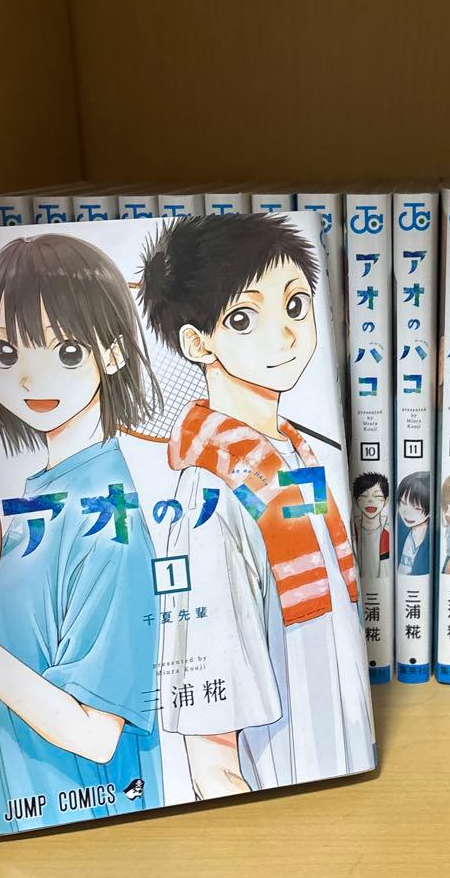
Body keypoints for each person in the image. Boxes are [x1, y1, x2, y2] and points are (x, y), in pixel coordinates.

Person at [138, 213, 375, 797]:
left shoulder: (296, 455)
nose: (286, 334)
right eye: (244, 318)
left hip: (342, 767)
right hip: (286, 785)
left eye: (295, 305)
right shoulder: (211, 495)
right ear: (198, 343)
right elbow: (212, 755)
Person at [0, 234, 164, 832]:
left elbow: (95, 735)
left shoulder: (110, 521)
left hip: (97, 823)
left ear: (114, 353)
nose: (31, 378)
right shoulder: (36, 497)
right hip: (30, 810)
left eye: (67, 351)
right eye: (6, 352)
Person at [353, 472, 390, 580]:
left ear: (386, 500)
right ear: (356, 501)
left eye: (377, 496)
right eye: (364, 496)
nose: (370, 500)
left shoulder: (390, 530)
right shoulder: (352, 529)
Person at [396, 471, 431, 575]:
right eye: (403, 503)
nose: (407, 513)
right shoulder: (398, 527)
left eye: (417, 508)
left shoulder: (434, 538)